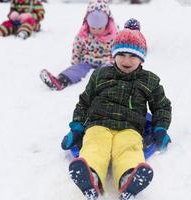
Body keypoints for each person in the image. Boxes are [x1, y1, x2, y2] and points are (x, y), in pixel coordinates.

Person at [61, 18, 172, 200]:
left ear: (142, 57)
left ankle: (129, 177)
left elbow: (162, 106)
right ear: (113, 54)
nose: (126, 60)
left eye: (133, 56)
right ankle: (91, 176)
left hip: (130, 127)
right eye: (121, 54)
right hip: (99, 124)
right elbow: (84, 103)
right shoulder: (100, 75)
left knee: (129, 148)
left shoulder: (149, 81)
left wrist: (160, 128)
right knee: (95, 145)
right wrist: (77, 128)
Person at [40, 0, 118, 91]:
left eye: (100, 28)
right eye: (93, 28)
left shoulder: (113, 34)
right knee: (77, 69)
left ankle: (107, 86)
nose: (96, 30)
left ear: (107, 23)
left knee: (108, 71)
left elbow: (118, 49)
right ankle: (61, 81)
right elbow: (77, 48)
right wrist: (75, 63)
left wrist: (116, 62)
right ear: (87, 23)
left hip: (106, 61)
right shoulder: (83, 34)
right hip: (87, 61)